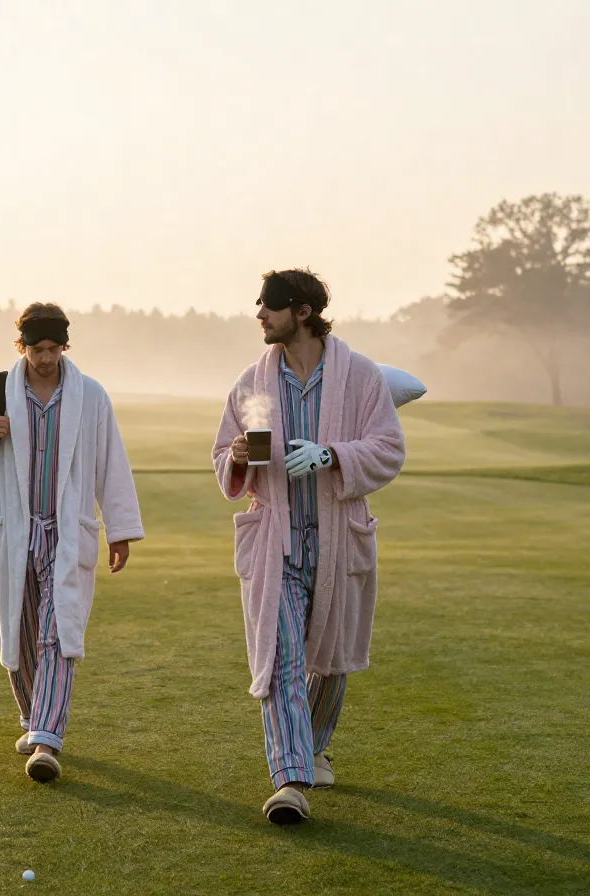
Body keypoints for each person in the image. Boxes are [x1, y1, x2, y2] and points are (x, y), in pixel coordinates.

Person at [212, 268, 405, 824]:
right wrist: (240, 459)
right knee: (283, 659)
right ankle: (290, 780)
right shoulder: (252, 382)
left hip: (339, 543)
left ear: (301, 311)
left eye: (268, 305)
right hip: (276, 546)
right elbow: (223, 454)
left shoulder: (361, 377)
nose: (259, 315)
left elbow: (389, 448)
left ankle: (314, 744)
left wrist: (333, 456)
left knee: (330, 663)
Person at [0, 302, 145, 783]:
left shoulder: (90, 396)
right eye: (38, 349)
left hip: (66, 535)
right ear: (23, 347)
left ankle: (46, 740)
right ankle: (34, 718)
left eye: (55, 348)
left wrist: (119, 530)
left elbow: (109, 463)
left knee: (58, 634)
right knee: (19, 631)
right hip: (13, 532)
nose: (47, 357)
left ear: (65, 346)